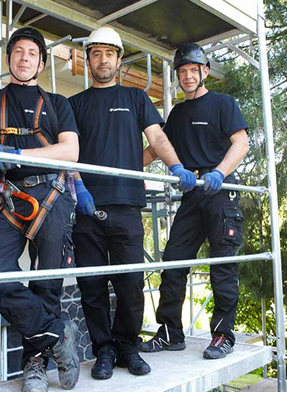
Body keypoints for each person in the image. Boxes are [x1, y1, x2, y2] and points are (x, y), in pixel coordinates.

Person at [0, 27, 80, 392]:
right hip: (9, 197)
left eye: (32, 53)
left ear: (41, 63)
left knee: (46, 283)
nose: (24, 57)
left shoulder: (58, 103)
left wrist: (13, 154)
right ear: (9, 57)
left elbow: (70, 151)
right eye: (18, 51)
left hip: (52, 194)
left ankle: (35, 366)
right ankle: (58, 336)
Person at [69, 27, 184, 380]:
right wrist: (78, 187)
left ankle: (128, 347)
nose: (102, 59)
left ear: (119, 59)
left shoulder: (136, 98)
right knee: (91, 287)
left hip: (127, 207)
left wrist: (176, 165)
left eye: (109, 53)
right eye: (96, 53)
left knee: (130, 284)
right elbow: (68, 152)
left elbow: (157, 137)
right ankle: (104, 350)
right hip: (86, 208)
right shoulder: (73, 105)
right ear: (88, 59)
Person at [140, 42, 249, 359]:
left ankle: (222, 335)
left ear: (204, 72)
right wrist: (121, 166)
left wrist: (219, 172)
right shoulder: (178, 112)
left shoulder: (223, 104)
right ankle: (171, 333)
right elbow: (156, 148)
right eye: (182, 71)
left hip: (220, 191)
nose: (187, 76)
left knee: (221, 268)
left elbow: (240, 143)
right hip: (192, 194)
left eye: (193, 70)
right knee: (173, 262)